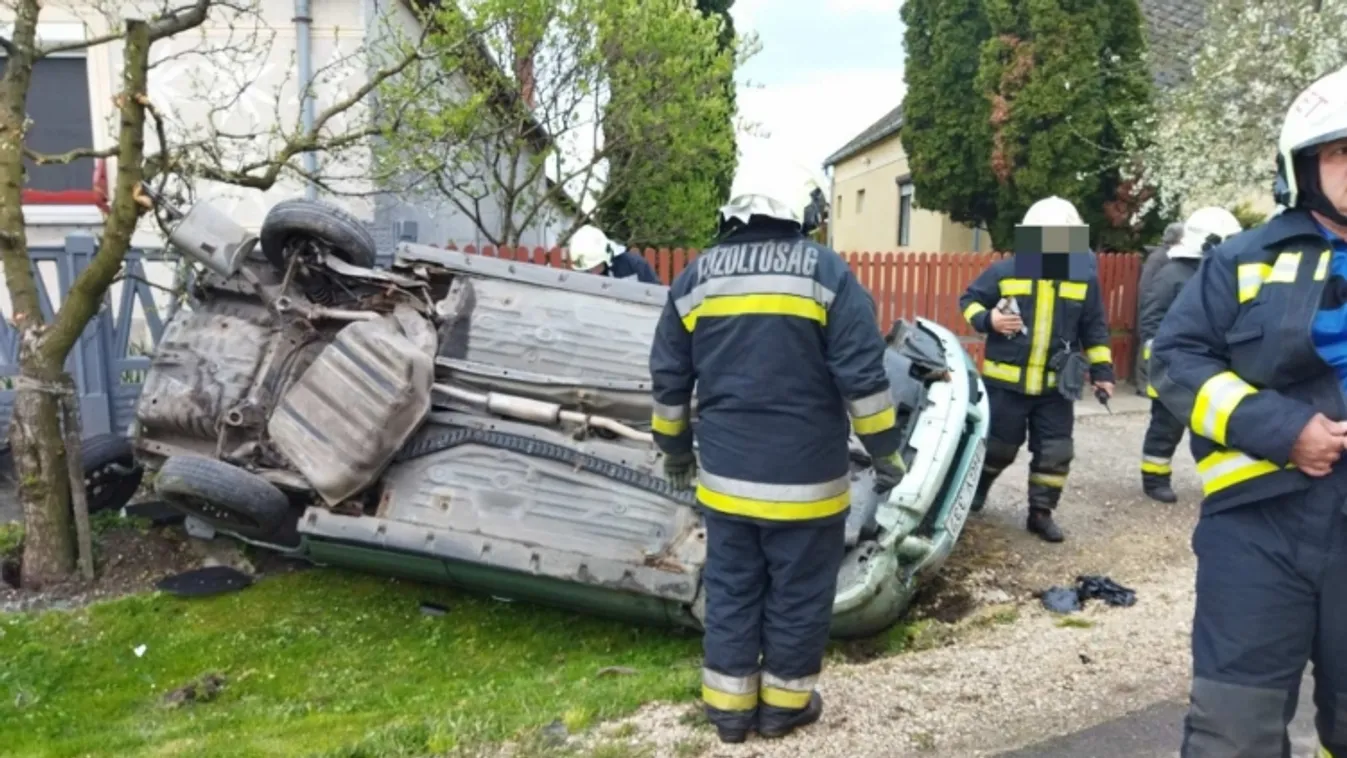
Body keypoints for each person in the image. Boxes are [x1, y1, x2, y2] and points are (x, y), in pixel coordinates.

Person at [648, 192, 906, 744]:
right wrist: (886, 454)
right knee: (798, 594)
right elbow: (864, 380)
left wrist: (675, 453)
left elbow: (670, 381)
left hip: (726, 485)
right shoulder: (828, 273)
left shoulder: (697, 278)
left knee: (733, 589)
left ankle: (730, 714)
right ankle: (783, 710)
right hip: (807, 484)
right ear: (802, 215)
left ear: (732, 214)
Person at [1150, 66, 1347, 756]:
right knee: (1232, 734)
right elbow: (1174, 360)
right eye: (1342, 151)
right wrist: (1282, 429)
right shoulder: (1240, 259)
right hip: (1258, 529)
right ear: (1304, 166)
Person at [958, 196, 1115, 543]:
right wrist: (990, 320)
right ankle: (976, 491)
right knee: (997, 449)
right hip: (1006, 387)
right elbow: (968, 301)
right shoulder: (1006, 271)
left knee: (1056, 453)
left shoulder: (1082, 278)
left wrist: (1103, 372)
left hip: (1056, 390)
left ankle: (1041, 514)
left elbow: (1095, 328)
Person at [1137, 207, 1243, 503]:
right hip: (1175, 364)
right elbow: (1152, 318)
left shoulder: (1218, 274)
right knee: (1166, 425)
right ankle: (1154, 478)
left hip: (1213, 363)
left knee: (1217, 423)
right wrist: (1159, 359)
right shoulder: (1173, 275)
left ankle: (1226, 481)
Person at [1135, 222, 1186, 393]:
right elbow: (1146, 285)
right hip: (1154, 307)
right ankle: (1143, 385)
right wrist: (1147, 307)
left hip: (1160, 307)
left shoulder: (1167, 255)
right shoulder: (1159, 257)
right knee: (1147, 347)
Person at [567, 224, 662, 284]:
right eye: (588, 269)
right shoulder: (581, 274)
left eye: (594, 265)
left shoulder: (635, 266)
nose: (591, 271)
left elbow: (655, 297)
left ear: (605, 256)